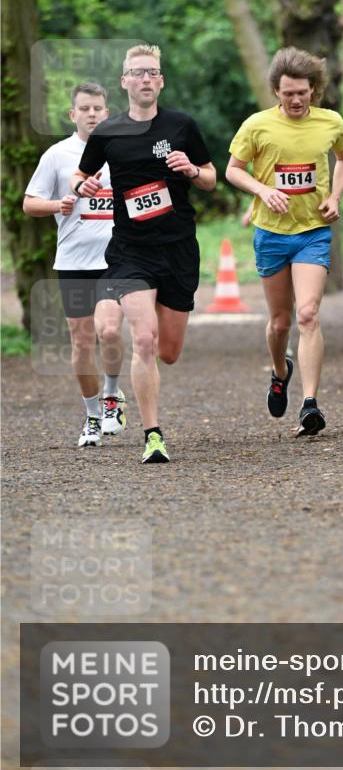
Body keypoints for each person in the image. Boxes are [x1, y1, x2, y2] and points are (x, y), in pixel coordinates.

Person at [70, 45, 216, 464]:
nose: (146, 78)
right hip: (131, 251)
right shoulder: (108, 132)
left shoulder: (182, 126)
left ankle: (142, 407)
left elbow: (210, 178)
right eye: (138, 72)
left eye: (153, 72)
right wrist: (85, 186)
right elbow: (82, 175)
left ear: (161, 81)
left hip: (178, 249)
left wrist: (192, 170)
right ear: (125, 82)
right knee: (145, 339)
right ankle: (153, 435)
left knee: (168, 350)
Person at [226, 46, 343, 436]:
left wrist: (334, 196)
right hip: (271, 234)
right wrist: (263, 191)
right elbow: (233, 170)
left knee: (308, 314)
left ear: (314, 89)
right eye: (288, 93)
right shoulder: (257, 125)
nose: (296, 99)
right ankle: (280, 371)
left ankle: (310, 403)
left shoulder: (330, 122)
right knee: (280, 322)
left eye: (302, 92)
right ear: (276, 92)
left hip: (313, 232)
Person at [23, 82, 126, 448]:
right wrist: (60, 205)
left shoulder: (120, 151)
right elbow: (30, 203)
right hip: (74, 260)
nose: (92, 114)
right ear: (73, 115)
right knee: (82, 341)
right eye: (85, 109)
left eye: (98, 108)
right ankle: (92, 417)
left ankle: (112, 396)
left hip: (116, 259)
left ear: (107, 112)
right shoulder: (57, 155)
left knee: (110, 332)